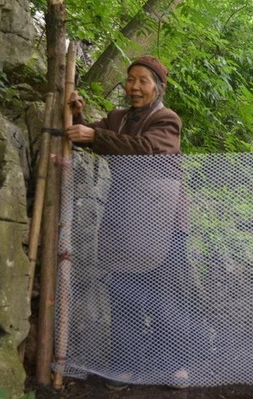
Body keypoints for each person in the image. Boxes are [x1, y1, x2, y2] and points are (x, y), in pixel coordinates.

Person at [67, 55, 199, 389]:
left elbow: (146, 149)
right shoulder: (117, 118)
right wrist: (77, 114)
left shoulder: (167, 120)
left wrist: (95, 137)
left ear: (158, 86)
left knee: (167, 295)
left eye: (143, 81)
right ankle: (125, 365)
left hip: (165, 221)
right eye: (130, 80)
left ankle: (173, 365)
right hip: (124, 219)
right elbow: (87, 136)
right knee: (123, 291)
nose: (134, 87)